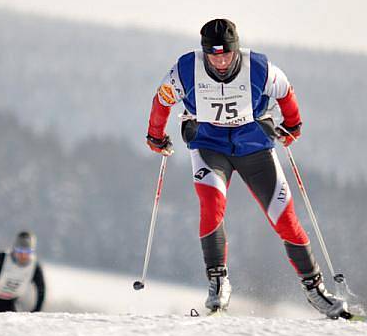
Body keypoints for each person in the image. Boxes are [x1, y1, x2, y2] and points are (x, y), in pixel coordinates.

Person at [146, 18, 349, 318]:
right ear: (205, 53)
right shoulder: (185, 69)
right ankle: (218, 282)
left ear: (236, 50)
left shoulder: (260, 68)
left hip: (254, 149)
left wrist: (292, 125)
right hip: (209, 147)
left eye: (226, 54)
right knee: (211, 205)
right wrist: (155, 135)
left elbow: (286, 93)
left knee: (284, 217)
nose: (221, 61)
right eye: (214, 55)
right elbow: (161, 101)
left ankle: (315, 289)